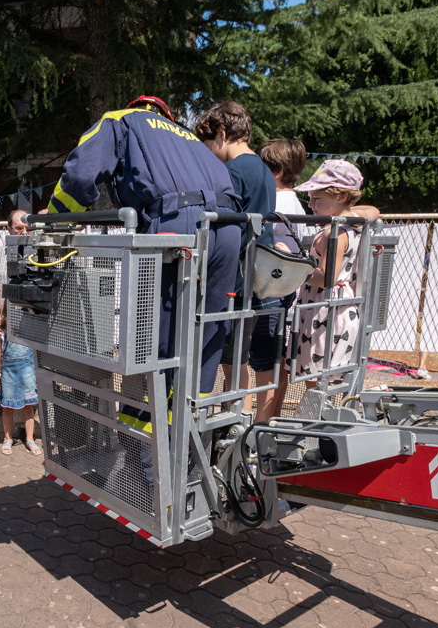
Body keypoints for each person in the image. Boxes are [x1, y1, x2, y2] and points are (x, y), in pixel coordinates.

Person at [49, 96, 240, 393]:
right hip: (228, 225)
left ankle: (143, 432)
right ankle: (191, 421)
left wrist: (53, 227)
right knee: (209, 330)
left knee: (153, 334)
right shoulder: (190, 139)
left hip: (179, 220)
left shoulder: (121, 118)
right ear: (167, 115)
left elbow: (81, 172)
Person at [194, 101, 278, 396]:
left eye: (207, 146)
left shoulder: (231, 171)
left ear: (221, 133)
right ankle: (238, 419)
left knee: (227, 359)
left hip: (232, 278)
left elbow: (219, 225)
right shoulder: (263, 169)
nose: (208, 155)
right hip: (254, 274)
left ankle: (231, 420)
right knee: (237, 360)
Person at [293, 160, 367, 387]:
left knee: (316, 379)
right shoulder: (352, 223)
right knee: (321, 379)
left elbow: (326, 278)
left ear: (341, 197)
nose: (312, 205)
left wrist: (294, 266)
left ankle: (316, 421)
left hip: (325, 311)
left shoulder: (336, 232)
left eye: (317, 199)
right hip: (330, 309)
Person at [253, 138, 309, 420]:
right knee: (275, 357)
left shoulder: (274, 200)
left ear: (274, 171)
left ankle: (261, 424)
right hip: (284, 285)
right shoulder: (295, 201)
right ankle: (270, 418)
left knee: (264, 359)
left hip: (269, 286)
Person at [0, 210, 40, 455]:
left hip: (33, 326)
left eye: (26, 227)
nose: (23, 232)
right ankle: (10, 434)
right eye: (18, 228)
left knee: (31, 384)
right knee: (9, 387)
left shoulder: (39, 252)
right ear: (8, 229)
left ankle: (31, 435)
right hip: (7, 325)